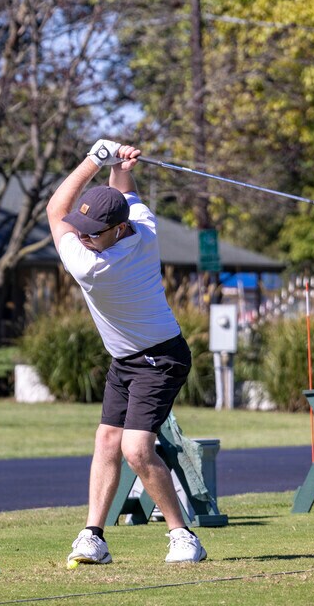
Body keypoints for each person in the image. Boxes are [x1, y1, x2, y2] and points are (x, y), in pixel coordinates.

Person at [46, 139, 207, 565]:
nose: (83, 238)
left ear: (118, 230)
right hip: (126, 358)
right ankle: (93, 537)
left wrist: (93, 160)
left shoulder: (94, 266)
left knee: (136, 449)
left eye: (92, 233)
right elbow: (127, 194)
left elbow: (53, 209)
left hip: (162, 357)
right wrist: (120, 165)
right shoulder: (142, 225)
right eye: (81, 229)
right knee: (107, 440)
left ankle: (183, 536)